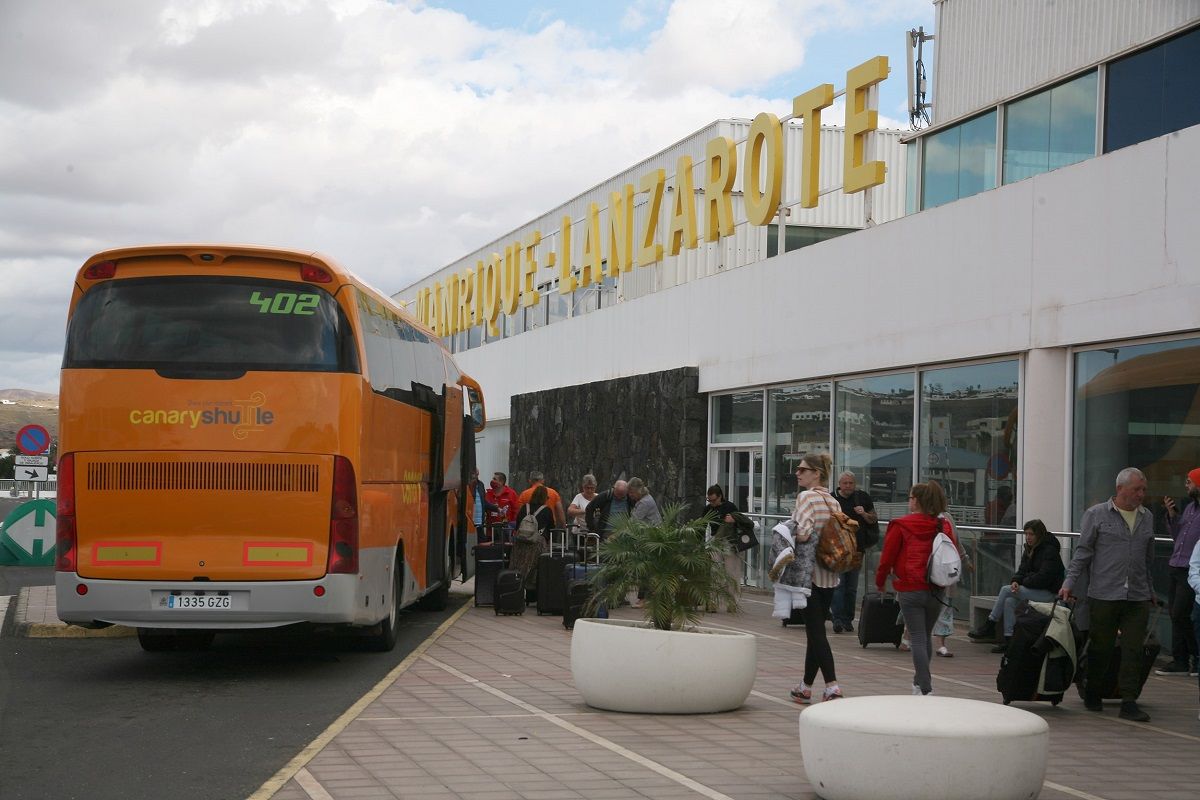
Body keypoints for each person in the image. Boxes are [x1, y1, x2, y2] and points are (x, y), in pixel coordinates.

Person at [1058, 467, 1156, 722]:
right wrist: (1069, 582)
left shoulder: (1147, 517)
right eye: (1137, 489)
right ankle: (1093, 691)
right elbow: (1083, 552)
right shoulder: (1096, 515)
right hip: (1104, 593)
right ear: (1120, 489)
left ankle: (1129, 700)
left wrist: (1151, 590)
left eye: (1144, 490)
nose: (1141, 495)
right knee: (1101, 648)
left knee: (1133, 649)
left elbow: (1147, 559)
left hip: (1137, 596)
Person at [875, 480, 961, 696]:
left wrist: (880, 581)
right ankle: (918, 683)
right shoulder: (943, 525)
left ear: (918, 500)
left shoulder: (901, 525)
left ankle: (925, 687)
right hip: (936, 588)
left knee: (918, 638)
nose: (909, 501)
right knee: (925, 635)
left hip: (910, 588)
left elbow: (887, 557)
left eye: (911, 497)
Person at [787, 453, 844, 703]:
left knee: (816, 633)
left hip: (808, 576)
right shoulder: (833, 501)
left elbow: (803, 533)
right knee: (815, 631)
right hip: (830, 574)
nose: (798, 473)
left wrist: (788, 528)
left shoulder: (806, 497)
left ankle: (832, 685)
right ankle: (805, 686)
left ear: (816, 473)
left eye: (802, 469)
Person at [969, 519, 1064, 653]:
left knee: (1005, 590)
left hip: (1048, 593)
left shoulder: (1050, 551)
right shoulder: (1029, 549)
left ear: (1039, 534)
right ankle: (1009, 640)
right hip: (1033, 589)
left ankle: (990, 624)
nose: (1028, 537)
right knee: (1009, 601)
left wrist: (1022, 582)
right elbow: (1022, 570)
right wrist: (1016, 581)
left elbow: (1044, 578)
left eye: (1031, 534)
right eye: (1026, 534)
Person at [1157, 467, 1200, 675]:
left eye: (1189, 481)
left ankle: (1195, 655)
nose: (1186, 485)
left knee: (1181, 613)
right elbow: (1177, 535)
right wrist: (1172, 514)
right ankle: (1180, 659)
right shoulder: (1190, 508)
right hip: (1177, 564)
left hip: (1191, 568)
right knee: (1175, 614)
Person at [830, 471, 877, 634]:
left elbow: (873, 519)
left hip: (857, 549)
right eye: (845, 483)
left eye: (851, 483)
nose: (848, 486)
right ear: (839, 484)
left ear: (854, 484)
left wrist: (863, 513)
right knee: (839, 585)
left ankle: (847, 619)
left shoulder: (862, 497)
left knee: (851, 587)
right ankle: (837, 618)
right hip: (839, 549)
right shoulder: (832, 499)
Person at [509, 485, 553, 593]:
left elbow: (518, 524)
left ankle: (515, 590)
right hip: (537, 544)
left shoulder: (525, 507)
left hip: (521, 543)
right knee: (534, 569)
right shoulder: (547, 510)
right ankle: (531, 593)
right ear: (544, 498)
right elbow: (551, 528)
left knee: (518, 567)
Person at [704, 484, 743, 604]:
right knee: (715, 571)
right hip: (716, 540)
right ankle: (713, 601)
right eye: (709, 500)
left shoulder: (730, 507)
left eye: (714, 500)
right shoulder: (708, 509)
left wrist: (734, 520)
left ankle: (733, 602)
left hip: (730, 541)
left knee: (731, 572)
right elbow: (702, 526)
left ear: (720, 496)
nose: (712, 503)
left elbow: (741, 522)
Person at [468, 468, 500, 542]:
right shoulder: (466, 486)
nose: (475, 475)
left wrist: (496, 508)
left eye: (476, 473)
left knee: (480, 545)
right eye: (473, 474)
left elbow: (483, 502)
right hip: (469, 521)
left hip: (479, 523)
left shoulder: (480, 485)